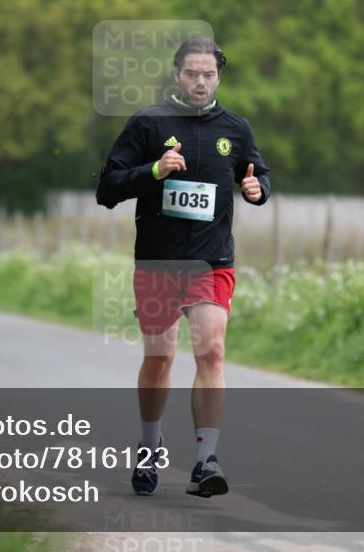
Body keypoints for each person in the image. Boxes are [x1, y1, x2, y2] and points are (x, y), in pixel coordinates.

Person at [96, 37, 271, 498]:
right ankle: (150, 449)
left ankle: (205, 460)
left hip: (211, 261)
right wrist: (153, 171)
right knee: (160, 359)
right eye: (192, 73)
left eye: (208, 74)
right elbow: (106, 187)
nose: (200, 81)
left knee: (211, 349)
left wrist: (258, 190)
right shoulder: (148, 124)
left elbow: (258, 172)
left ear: (218, 77)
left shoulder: (235, 128)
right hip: (157, 262)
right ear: (177, 75)